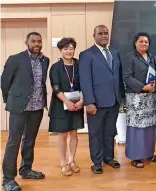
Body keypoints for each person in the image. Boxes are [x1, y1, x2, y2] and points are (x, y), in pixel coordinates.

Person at [1, 32, 49, 191]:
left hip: (37, 107)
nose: (36, 44)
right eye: (33, 41)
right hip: (19, 108)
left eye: (39, 41)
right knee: (13, 142)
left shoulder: (45, 60)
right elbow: (5, 82)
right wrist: (12, 100)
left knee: (30, 140)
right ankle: (8, 179)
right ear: (26, 42)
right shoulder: (16, 59)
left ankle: (26, 169)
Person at [79, 25, 125, 174]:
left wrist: (121, 96)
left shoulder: (115, 53)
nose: (104, 36)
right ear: (94, 36)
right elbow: (85, 80)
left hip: (114, 101)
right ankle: (97, 162)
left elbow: (118, 77)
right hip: (96, 103)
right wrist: (89, 102)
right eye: (100, 33)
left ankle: (108, 158)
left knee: (110, 132)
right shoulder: (86, 54)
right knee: (96, 133)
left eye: (106, 33)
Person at [122, 32, 156, 168]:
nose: (144, 44)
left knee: (149, 126)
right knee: (136, 127)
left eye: (146, 42)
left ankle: (149, 153)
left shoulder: (152, 57)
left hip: (151, 97)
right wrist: (143, 87)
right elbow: (127, 77)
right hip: (136, 97)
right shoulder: (129, 57)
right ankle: (136, 156)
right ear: (135, 43)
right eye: (141, 41)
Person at [48, 38, 84, 176]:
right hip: (60, 103)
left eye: (71, 48)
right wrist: (67, 102)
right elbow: (55, 88)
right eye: (65, 49)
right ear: (60, 50)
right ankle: (63, 162)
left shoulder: (80, 65)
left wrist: (82, 100)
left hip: (77, 103)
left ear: (74, 49)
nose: (69, 51)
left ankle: (71, 160)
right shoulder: (55, 67)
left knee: (74, 133)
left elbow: (85, 84)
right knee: (63, 134)